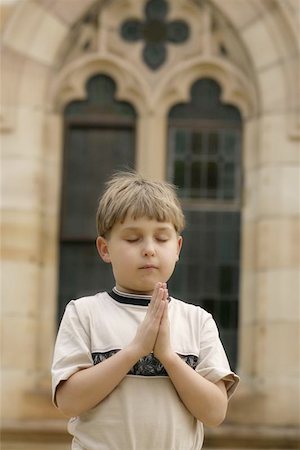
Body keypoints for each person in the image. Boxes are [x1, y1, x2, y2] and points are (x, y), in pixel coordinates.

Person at [52, 171, 239, 450]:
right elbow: (68, 403)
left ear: (177, 247)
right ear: (105, 249)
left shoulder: (197, 320)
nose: (149, 249)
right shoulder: (84, 313)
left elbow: (214, 413)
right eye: (132, 239)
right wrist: (135, 350)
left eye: (161, 238)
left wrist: (167, 356)